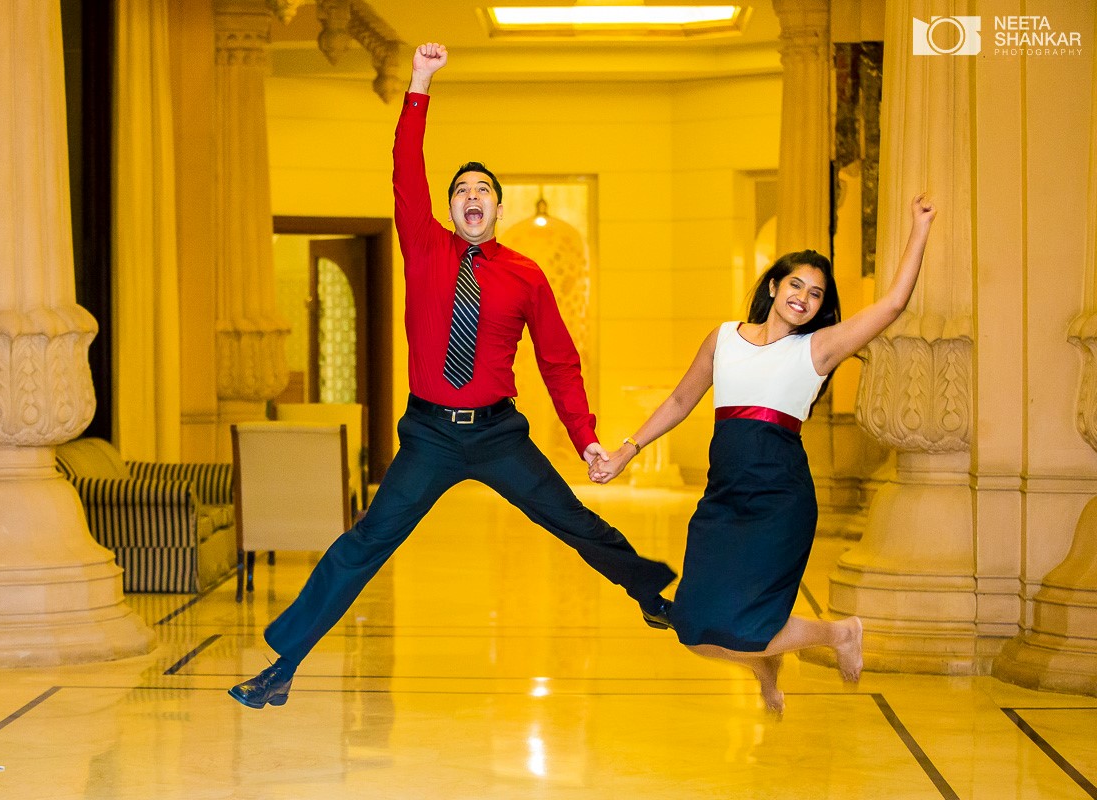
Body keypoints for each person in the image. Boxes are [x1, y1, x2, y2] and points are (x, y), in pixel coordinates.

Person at [229, 42, 676, 710]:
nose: (472, 196)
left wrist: (585, 437)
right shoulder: (425, 245)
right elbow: (405, 165)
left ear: (497, 207)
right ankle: (284, 663)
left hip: (499, 434)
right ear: (450, 207)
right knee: (365, 542)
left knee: (572, 519)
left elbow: (559, 361)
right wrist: (419, 83)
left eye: (483, 191)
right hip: (431, 436)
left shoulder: (525, 274)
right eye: (461, 190)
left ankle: (650, 593)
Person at [589, 193, 937, 714]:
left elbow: (891, 305)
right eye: (796, 284)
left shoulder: (817, 349)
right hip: (724, 496)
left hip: (779, 498)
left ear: (821, 307)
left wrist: (920, 228)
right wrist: (626, 451)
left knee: (751, 620)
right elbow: (683, 399)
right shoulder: (723, 338)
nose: (804, 297)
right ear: (774, 286)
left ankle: (838, 634)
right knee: (693, 626)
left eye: (816, 294)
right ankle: (765, 662)